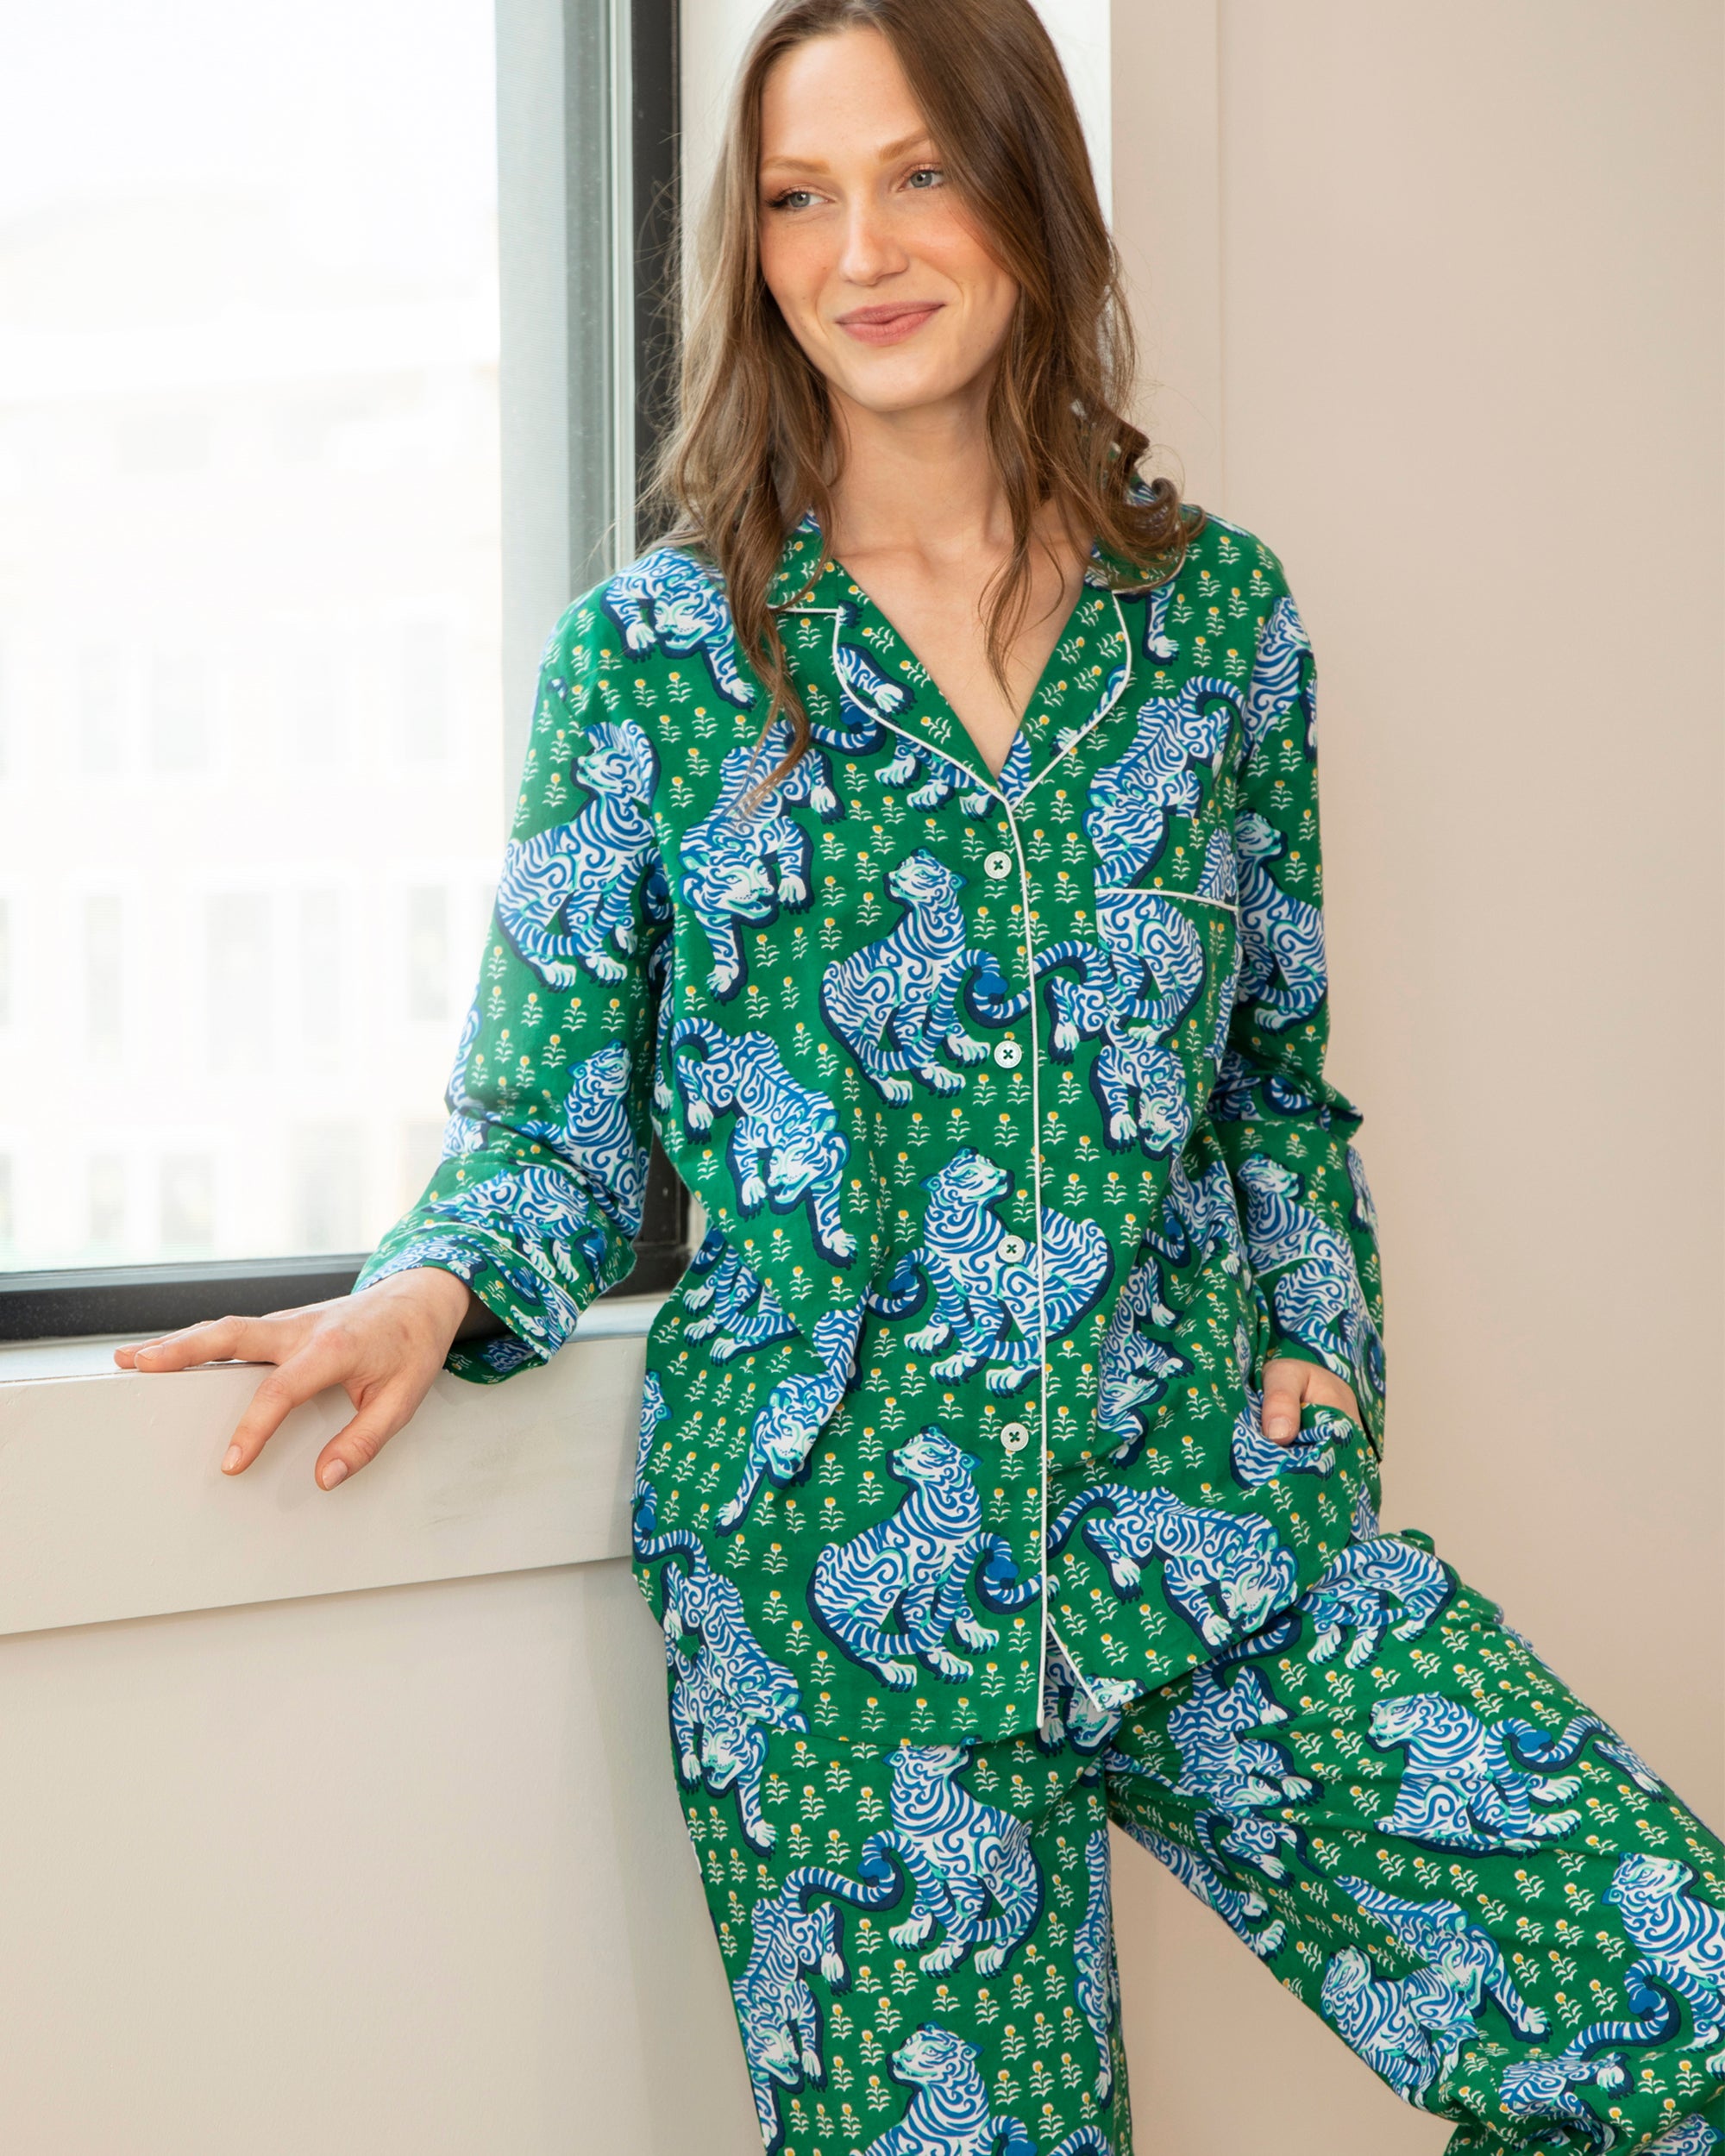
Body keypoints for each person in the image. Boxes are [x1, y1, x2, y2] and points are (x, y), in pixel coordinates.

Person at [117, 3, 1725, 2150]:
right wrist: (426, 1286)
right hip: (834, 1606)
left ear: (1027, 194)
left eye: (917, 175)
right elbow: (549, 1123)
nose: (857, 249)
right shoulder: (654, 662)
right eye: (799, 197)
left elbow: (1273, 1077)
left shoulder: (1216, 624)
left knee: (1676, 2008)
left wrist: (1324, 1355)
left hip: (1205, 1518)